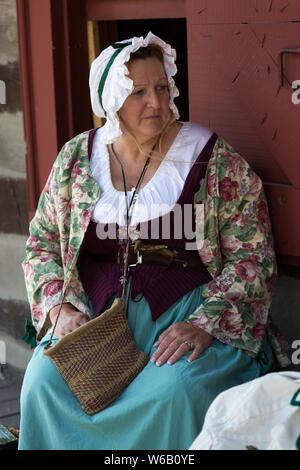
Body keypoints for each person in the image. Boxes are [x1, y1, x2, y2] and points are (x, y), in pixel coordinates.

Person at [19, 32, 290, 450]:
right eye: (138, 91)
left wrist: (204, 324)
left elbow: (253, 259)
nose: (157, 102)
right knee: (43, 382)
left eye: (162, 88)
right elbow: (42, 244)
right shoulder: (76, 159)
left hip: (186, 319)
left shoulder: (210, 159)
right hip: (97, 321)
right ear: (110, 100)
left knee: (171, 393)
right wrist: (60, 308)